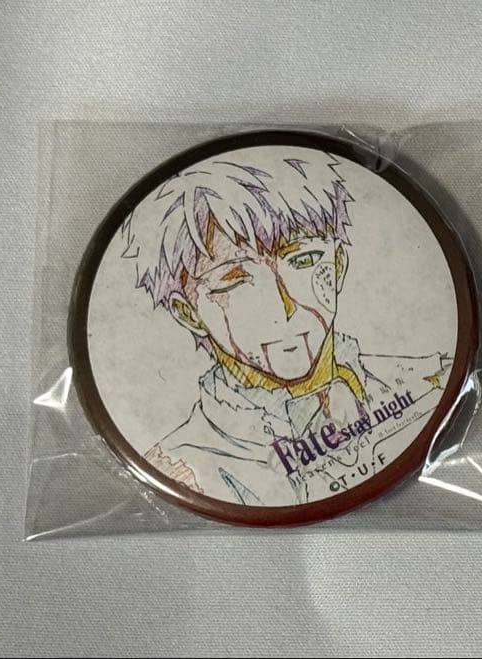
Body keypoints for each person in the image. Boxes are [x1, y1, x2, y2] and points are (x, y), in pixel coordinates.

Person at [123, 146, 449, 505]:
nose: (284, 308)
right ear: (188, 313)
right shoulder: (181, 467)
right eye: (235, 282)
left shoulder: (429, 381)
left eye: (305, 260)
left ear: (338, 265)